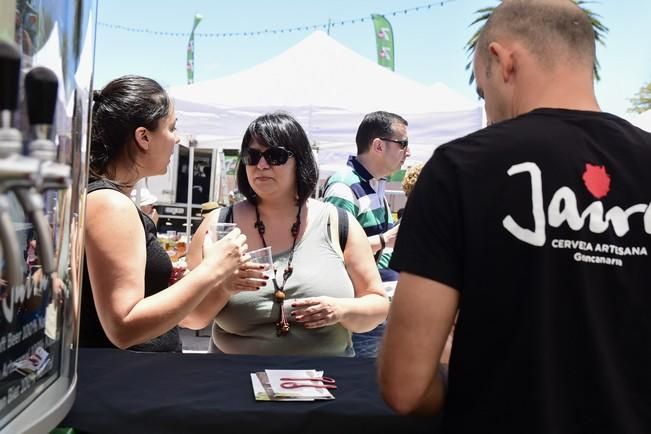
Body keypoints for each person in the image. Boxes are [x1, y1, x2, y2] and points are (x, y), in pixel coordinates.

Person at [379, 1, 651, 433]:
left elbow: (404, 387)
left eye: (483, 93)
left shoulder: (459, 169)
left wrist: (472, 393)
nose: (488, 110)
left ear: (502, 61)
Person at [186, 112, 389, 356]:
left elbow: (377, 305)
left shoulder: (338, 223)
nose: (261, 165)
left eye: (275, 155)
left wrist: (340, 310)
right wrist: (224, 287)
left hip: (324, 382)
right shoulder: (219, 226)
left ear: (300, 161)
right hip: (235, 381)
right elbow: (190, 318)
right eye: (252, 156)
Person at [82, 75, 248, 352]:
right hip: (124, 384)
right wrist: (211, 268)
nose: (177, 138)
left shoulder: (108, 198)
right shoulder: (111, 204)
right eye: (171, 127)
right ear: (143, 137)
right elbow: (123, 326)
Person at [322, 110, 409, 357]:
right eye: (403, 144)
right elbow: (331, 253)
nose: (408, 152)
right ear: (379, 146)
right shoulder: (344, 186)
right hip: (360, 318)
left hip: (376, 314)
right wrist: (387, 239)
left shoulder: (374, 184)